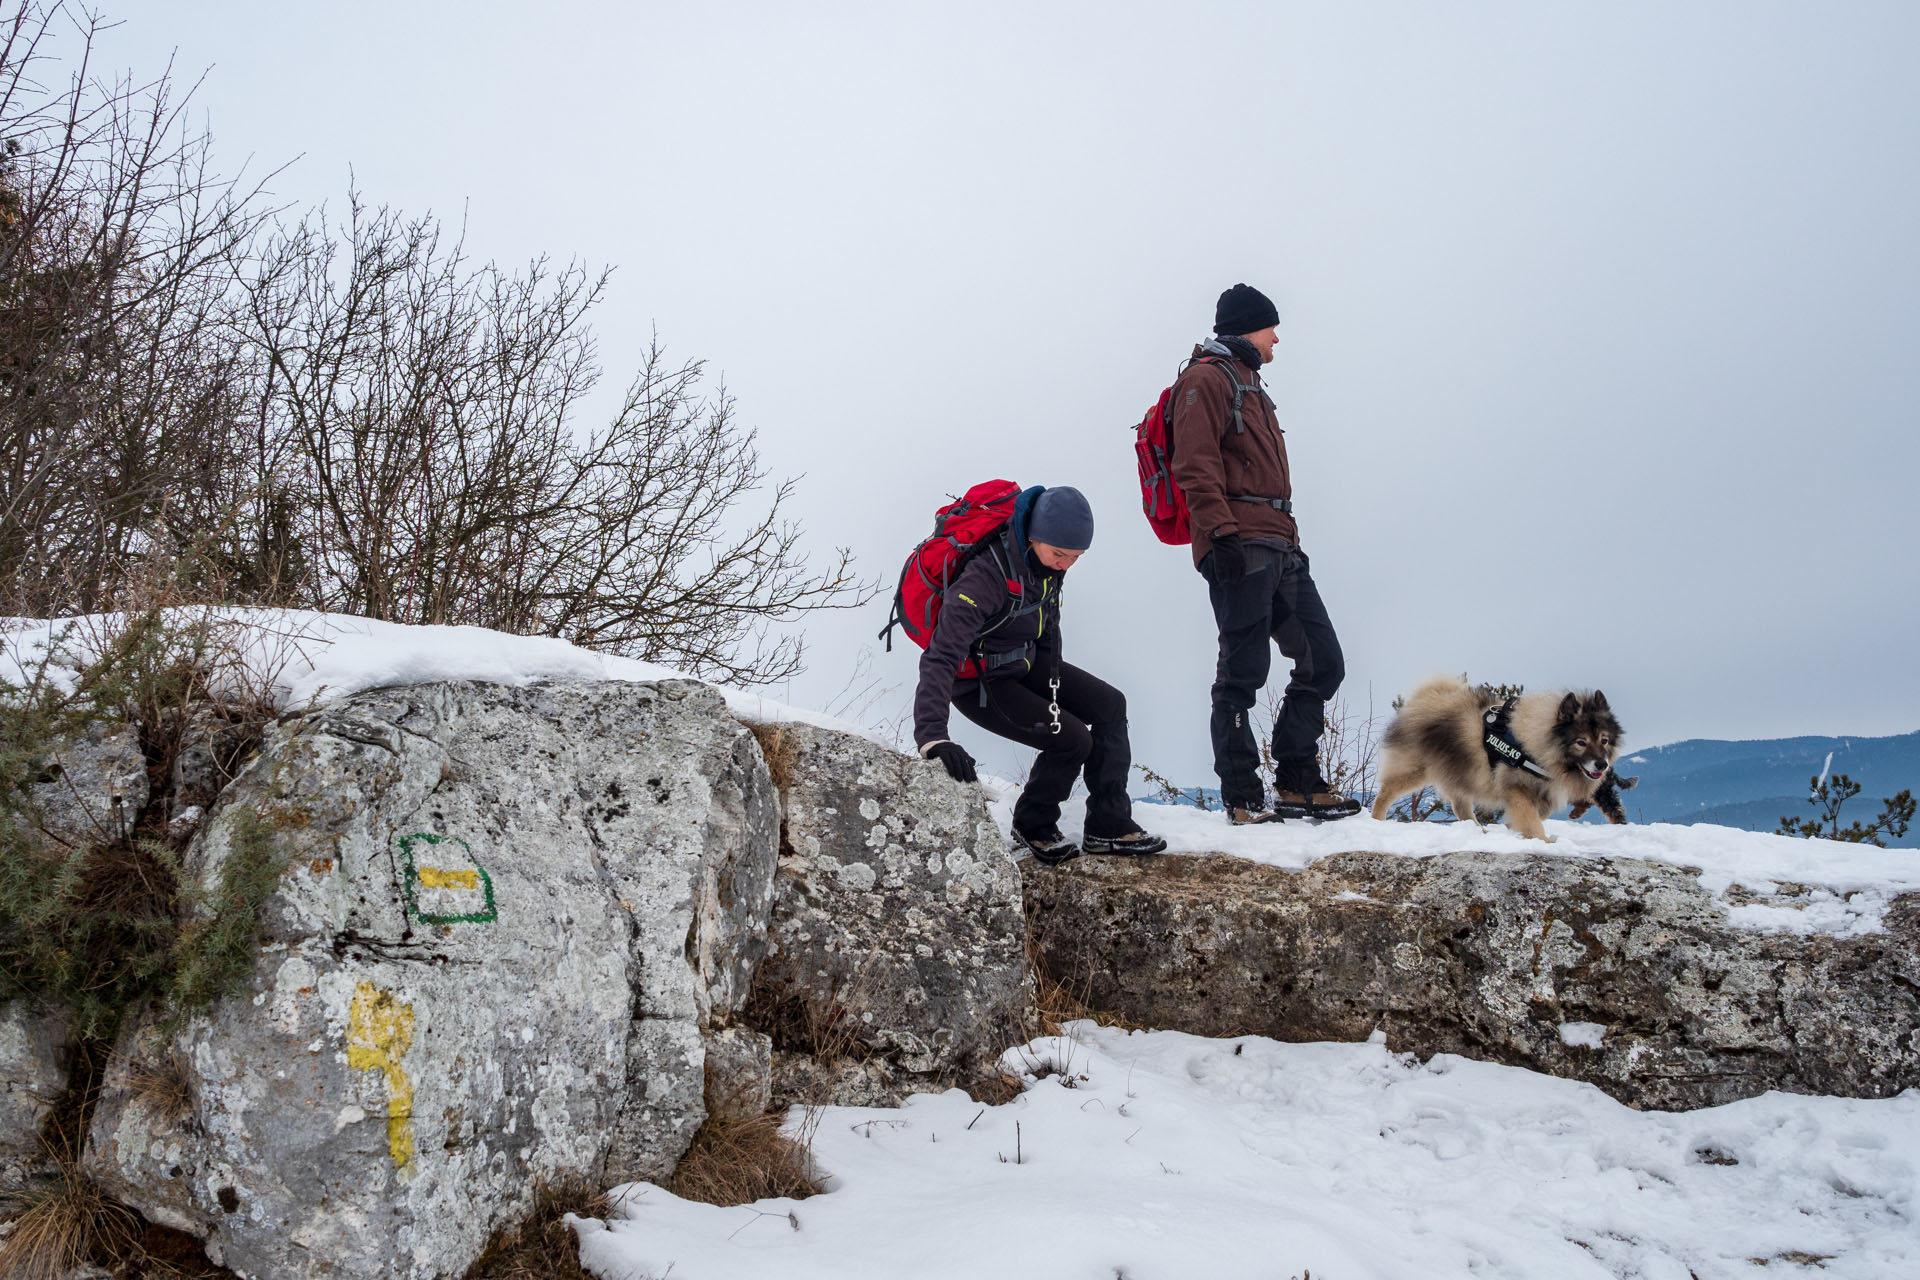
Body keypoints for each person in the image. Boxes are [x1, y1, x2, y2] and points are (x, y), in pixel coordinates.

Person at [1168, 283, 1361, 824]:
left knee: (1324, 661)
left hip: (1280, 545)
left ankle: (1298, 781)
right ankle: (1242, 794)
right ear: (1248, 327)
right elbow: (1194, 465)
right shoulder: (1204, 380)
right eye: (1271, 326)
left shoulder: (1251, 384)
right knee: (1242, 671)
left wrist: (1289, 543)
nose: (1278, 337)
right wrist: (1221, 536)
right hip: (1240, 543)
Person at [913, 485, 1167, 864]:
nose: (1065, 564)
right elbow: (942, 654)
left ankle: (1108, 824)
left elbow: (1046, 626)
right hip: (979, 683)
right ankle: (1033, 825)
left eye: (1076, 557)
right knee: (1072, 739)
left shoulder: (1045, 564)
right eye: (1059, 554)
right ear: (1032, 537)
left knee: (1110, 704)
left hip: (1025, 664)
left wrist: (1054, 676)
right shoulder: (985, 576)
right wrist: (933, 737)